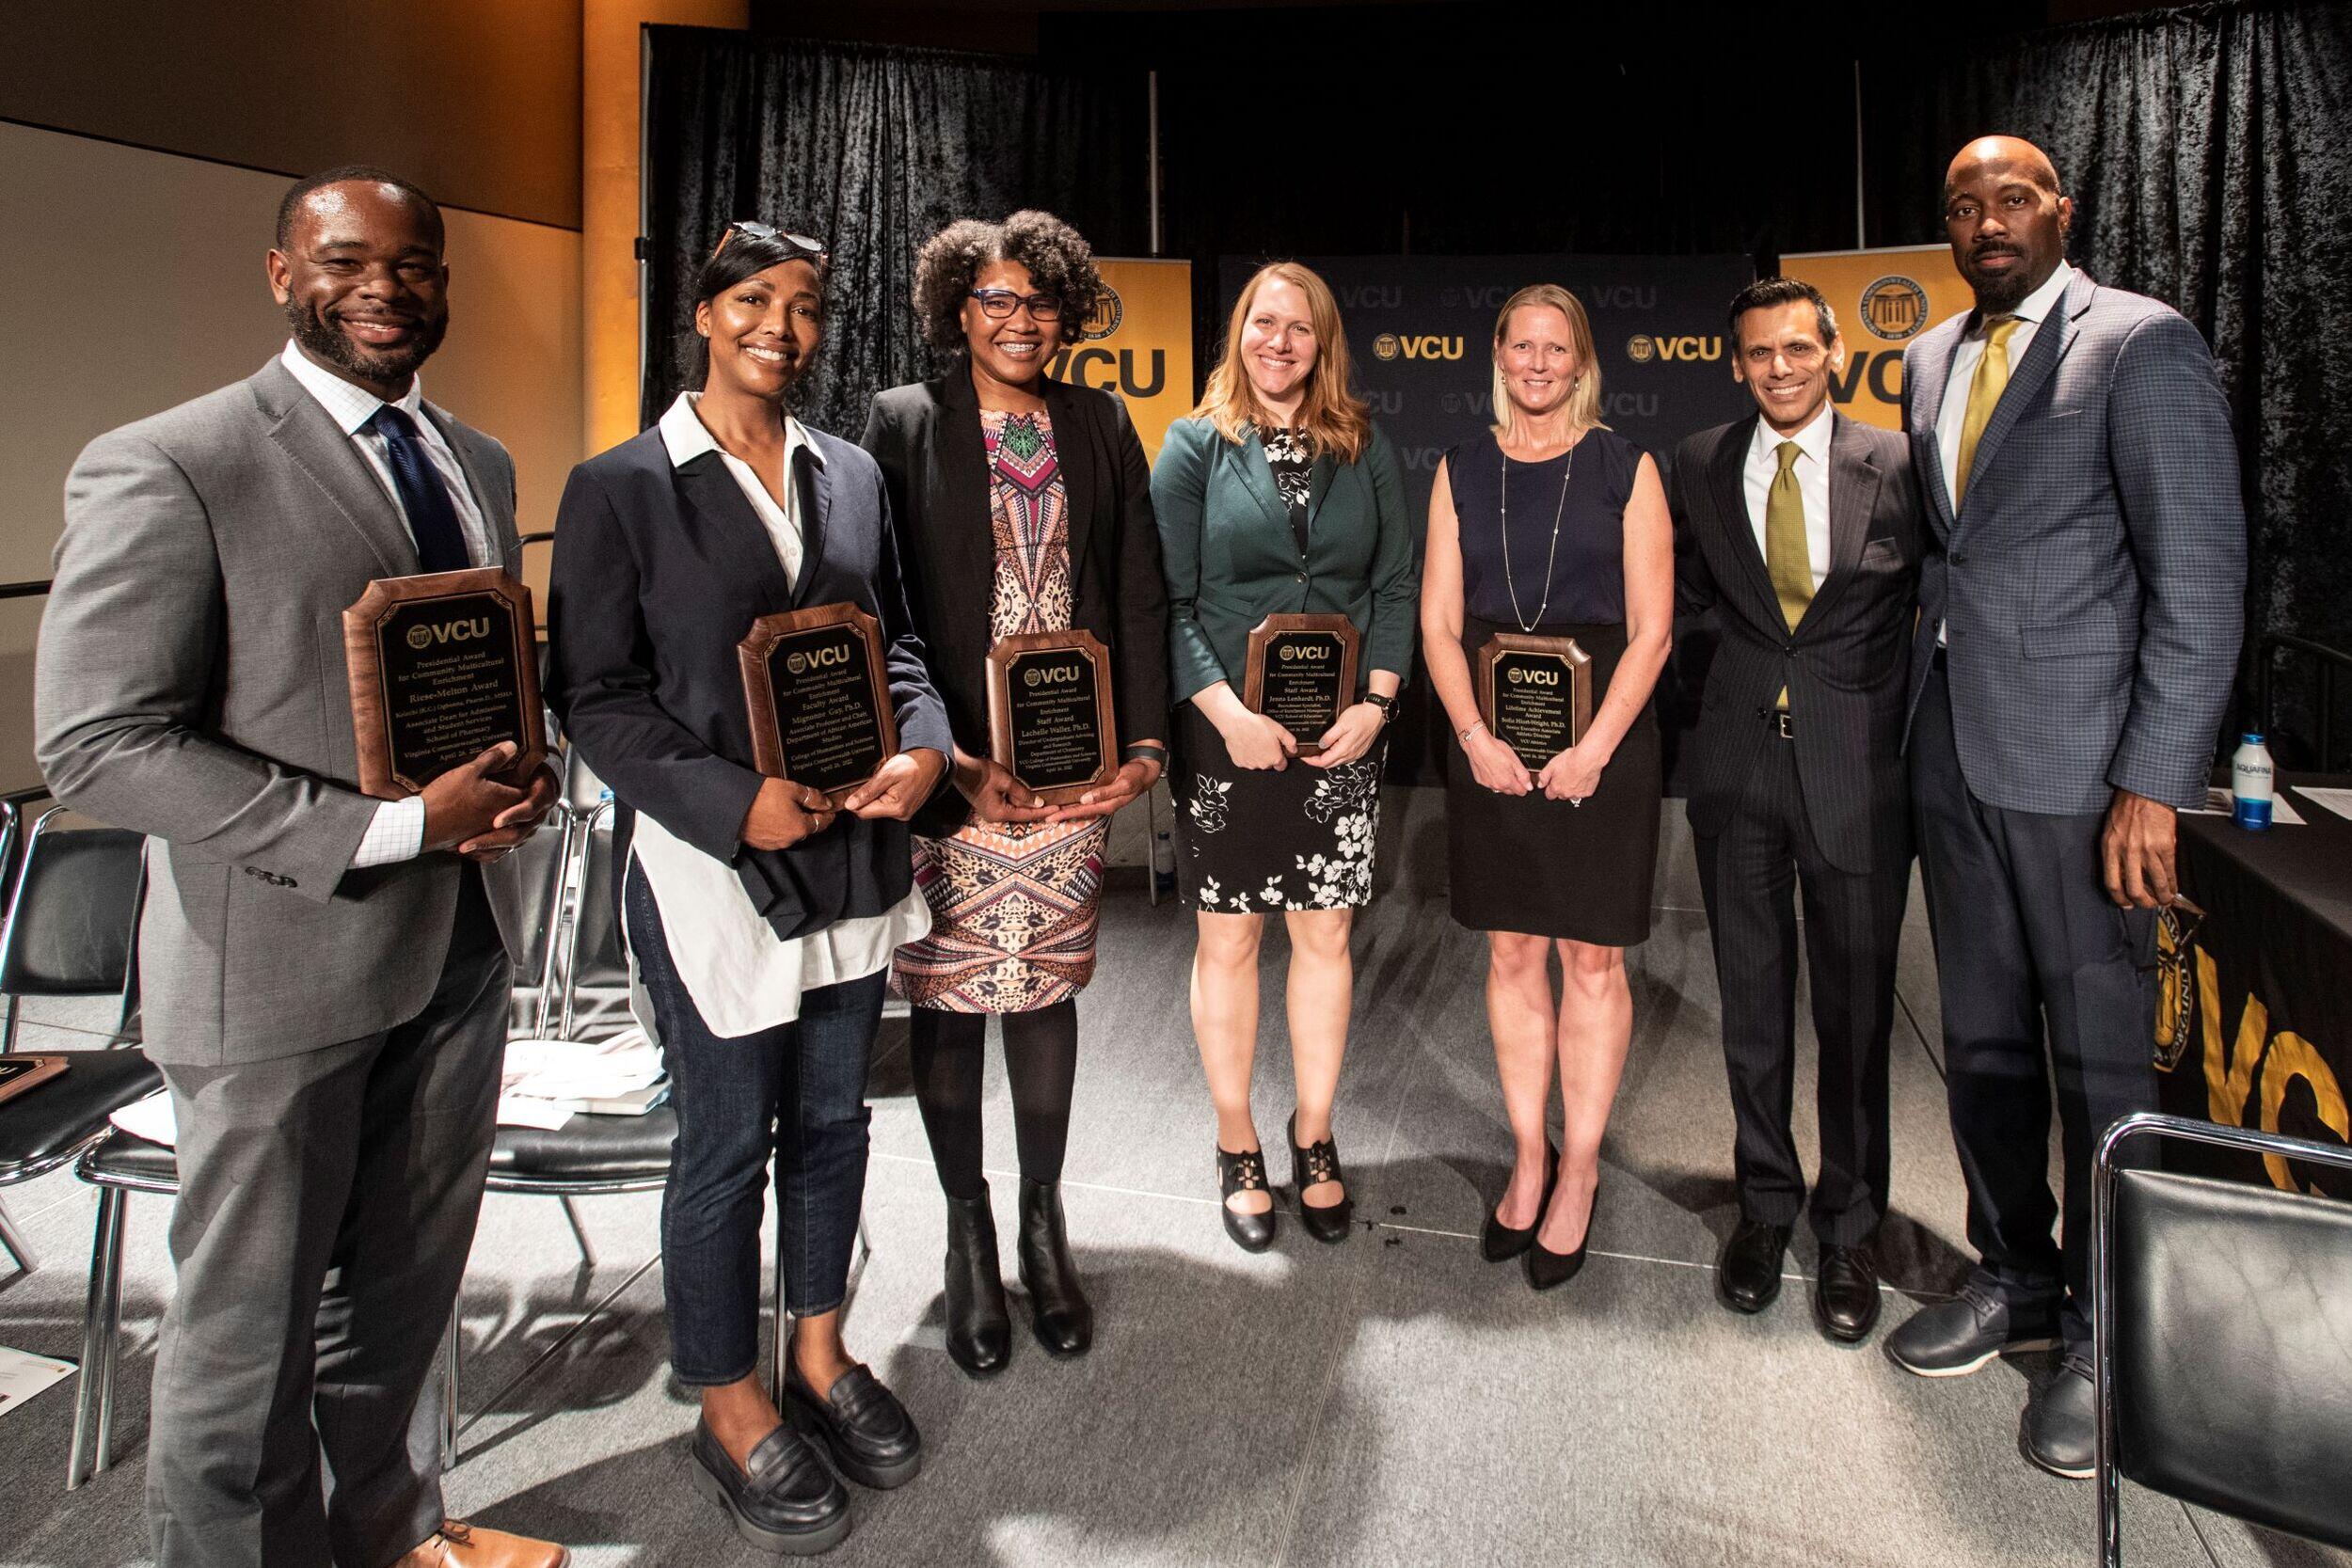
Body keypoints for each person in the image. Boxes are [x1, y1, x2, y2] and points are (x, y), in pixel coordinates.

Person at [35, 167, 565, 1568]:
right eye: (345, 259)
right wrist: (390, 829)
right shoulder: (172, 460)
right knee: (246, 1341)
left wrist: (520, 770)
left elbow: (460, 677)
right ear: (283, 274)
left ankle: (388, 1537)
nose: (384, 286)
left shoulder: (477, 460)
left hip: (460, 945)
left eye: (415, 262)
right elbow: (99, 743)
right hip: (275, 968)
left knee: (398, 1305)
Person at [545, 222, 952, 1554]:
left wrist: (921, 746)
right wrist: (732, 801)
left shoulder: (850, 473)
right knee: (726, 1143)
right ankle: (728, 1400)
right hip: (713, 866)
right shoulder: (621, 486)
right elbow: (594, 695)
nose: (783, 325)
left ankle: (820, 1352)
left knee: (833, 1122)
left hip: (851, 851)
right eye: (755, 300)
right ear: (705, 315)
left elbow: (895, 639)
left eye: (807, 304)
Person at [1885, 136, 2245, 1477]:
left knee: (2100, 1060)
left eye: (2011, 199)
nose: (1986, 221)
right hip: (1954, 758)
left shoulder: (2140, 345)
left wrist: (2154, 778)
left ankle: (2108, 1331)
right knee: (1981, 1040)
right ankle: (2015, 1273)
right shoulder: (1928, 355)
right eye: (1962, 205)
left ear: (2060, 212)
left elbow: (2198, 577)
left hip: (2088, 775)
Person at [861, 212, 1168, 1376]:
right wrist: (934, 753)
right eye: (995, 298)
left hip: (1065, 765)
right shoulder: (903, 420)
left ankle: (1044, 1223)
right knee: (948, 1000)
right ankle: (968, 1232)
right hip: (954, 769)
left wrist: (1144, 743)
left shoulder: (1099, 421)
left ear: (1067, 310)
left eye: (1039, 300)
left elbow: (1136, 584)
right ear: (959, 308)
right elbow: (880, 599)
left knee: (1042, 991)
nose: (1019, 319)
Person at [1669, 277, 1924, 1339]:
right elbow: (1685, 599)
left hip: (1857, 773)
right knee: (1752, 1006)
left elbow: (1928, 603)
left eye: (1797, 348)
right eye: (1759, 352)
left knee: (1856, 1017)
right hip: (1737, 771)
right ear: (1736, 364)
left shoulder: (1898, 463)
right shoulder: (1698, 460)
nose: (1779, 367)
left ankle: (1849, 1226)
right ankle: (1765, 1205)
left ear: (1834, 353)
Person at [1152, 261, 1416, 1250]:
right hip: (1227, 733)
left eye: (1299, 327)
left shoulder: (1364, 443)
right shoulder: (1193, 444)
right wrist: (1228, 714)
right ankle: (1236, 1139)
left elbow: (1395, 583)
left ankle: (1313, 1133)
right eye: (1263, 323)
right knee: (1228, 941)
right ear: (1240, 333)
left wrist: (1377, 703)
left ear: (1322, 341)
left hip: (1341, 732)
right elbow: (1169, 598)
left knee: (1325, 935)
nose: (1280, 341)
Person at [1419, 284, 1671, 1291]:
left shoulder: (1626, 467)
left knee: (1593, 961)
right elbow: (1440, 624)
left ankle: (1581, 1168)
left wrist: (1596, 747)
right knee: (1514, 949)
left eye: (1554, 348)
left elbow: (1652, 631)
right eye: (1520, 345)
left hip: (1604, 743)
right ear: (1497, 354)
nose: (1536, 363)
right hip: (1491, 743)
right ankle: (1529, 1154)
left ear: (1580, 362)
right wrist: (1473, 737)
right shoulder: (1460, 467)